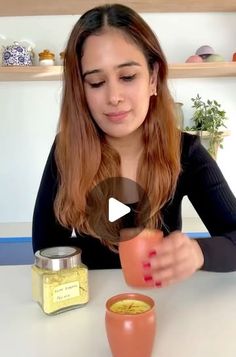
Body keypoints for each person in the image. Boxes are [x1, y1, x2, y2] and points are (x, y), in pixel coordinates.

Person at [32, 3, 236, 287]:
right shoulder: (66, 151)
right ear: (81, 91)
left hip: (164, 305)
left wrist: (199, 252)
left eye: (127, 77)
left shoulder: (186, 153)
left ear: (153, 78)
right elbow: (46, 249)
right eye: (96, 82)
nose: (113, 97)